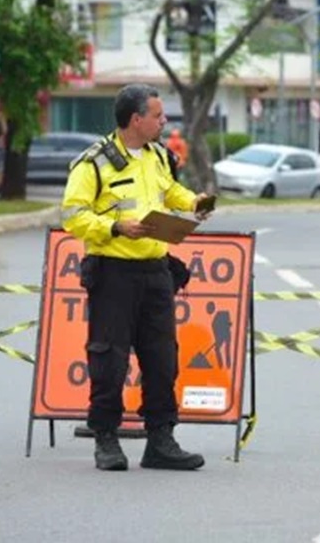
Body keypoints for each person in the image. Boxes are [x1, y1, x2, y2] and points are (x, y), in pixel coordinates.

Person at [61, 84, 215, 472]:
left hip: (156, 271)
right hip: (114, 273)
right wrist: (115, 227)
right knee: (109, 359)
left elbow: (170, 191)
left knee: (162, 358)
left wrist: (193, 202)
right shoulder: (93, 163)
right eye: (158, 116)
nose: (164, 122)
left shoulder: (159, 156)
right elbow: (73, 216)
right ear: (136, 120)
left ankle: (161, 439)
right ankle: (106, 439)